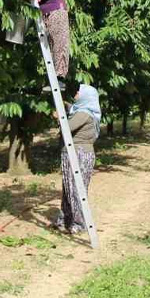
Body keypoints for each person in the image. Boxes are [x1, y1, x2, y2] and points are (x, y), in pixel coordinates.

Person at [21, 0, 70, 93]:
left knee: (59, 44)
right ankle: (52, 78)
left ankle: (60, 78)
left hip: (56, 11)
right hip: (43, 14)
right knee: (49, 45)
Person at [53, 84, 100, 235]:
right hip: (73, 152)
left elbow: (67, 127)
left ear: (87, 96)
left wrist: (58, 117)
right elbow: (71, 109)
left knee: (76, 188)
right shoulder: (80, 110)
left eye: (80, 92)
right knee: (69, 188)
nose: (76, 93)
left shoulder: (84, 114)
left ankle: (79, 223)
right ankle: (65, 220)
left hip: (79, 153)